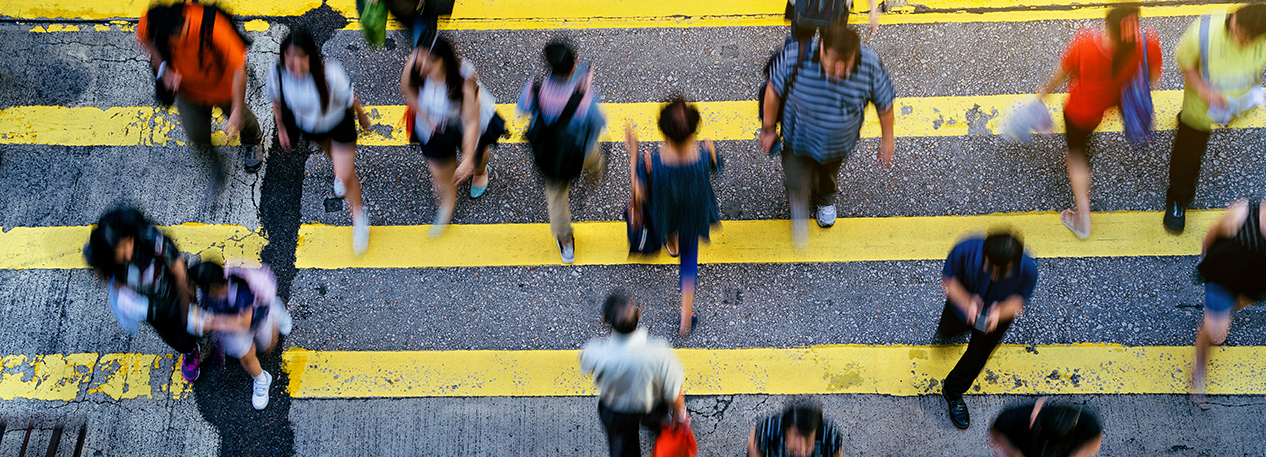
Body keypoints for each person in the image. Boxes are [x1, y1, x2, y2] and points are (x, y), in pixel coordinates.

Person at [760, 21, 895, 248]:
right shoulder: (796, 57)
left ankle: (826, 200)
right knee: (795, 177)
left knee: (830, 172)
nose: (840, 72)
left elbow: (885, 104)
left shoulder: (869, 65)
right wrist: (768, 128)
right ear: (821, 49)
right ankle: (799, 196)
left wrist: (888, 140)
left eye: (847, 65)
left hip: (838, 144)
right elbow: (773, 89)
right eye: (834, 64)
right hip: (798, 140)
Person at [1037, 5, 1162, 239]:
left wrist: (1041, 95)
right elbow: (1153, 78)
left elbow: (1062, 74)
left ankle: (1083, 218)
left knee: (1077, 157)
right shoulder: (1148, 43)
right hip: (1114, 104)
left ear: (1108, 27)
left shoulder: (1086, 44)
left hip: (1081, 111)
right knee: (1084, 145)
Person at [137, 2, 263, 193]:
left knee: (243, 119)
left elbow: (239, 69)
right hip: (188, 93)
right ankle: (215, 167)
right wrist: (163, 67)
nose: (174, 44)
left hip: (223, 89)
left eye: (175, 39)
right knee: (196, 135)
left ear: (180, 30)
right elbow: (143, 38)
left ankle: (253, 141)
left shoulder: (213, 27)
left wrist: (236, 110)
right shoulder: (155, 22)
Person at [267, 27, 372, 255]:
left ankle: (359, 219)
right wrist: (282, 127)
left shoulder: (330, 74)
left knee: (346, 174)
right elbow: (276, 100)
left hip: (339, 124)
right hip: (313, 129)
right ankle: (338, 171)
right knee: (332, 156)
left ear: (310, 57)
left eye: (299, 61)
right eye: (289, 62)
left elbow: (349, 98)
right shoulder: (278, 74)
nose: (294, 68)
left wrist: (363, 117)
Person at [1164, 5, 1266, 234]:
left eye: (1252, 40)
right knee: (1188, 156)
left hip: (1237, 108)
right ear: (1235, 19)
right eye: (1244, 36)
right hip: (1201, 109)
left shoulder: (1260, 35)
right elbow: (1185, 64)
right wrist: (1206, 93)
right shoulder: (1204, 32)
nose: (1245, 43)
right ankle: (1178, 200)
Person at [625, 98, 722, 336]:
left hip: (665, 210)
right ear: (693, 129)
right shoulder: (703, 153)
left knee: (667, 221)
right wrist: (712, 152)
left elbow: (638, 192)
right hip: (693, 213)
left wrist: (634, 154)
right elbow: (717, 167)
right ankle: (685, 320)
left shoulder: (653, 163)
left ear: (663, 131)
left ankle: (670, 243)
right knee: (689, 262)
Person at [401, 32, 507, 237]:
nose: (422, 66)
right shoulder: (415, 66)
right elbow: (408, 89)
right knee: (439, 170)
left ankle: (481, 172)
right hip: (434, 124)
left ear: (444, 61)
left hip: (466, 119)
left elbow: (471, 123)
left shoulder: (463, 79)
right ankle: (448, 203)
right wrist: (425, 116)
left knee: (478, 157)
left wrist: (467, 160)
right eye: (419, 58)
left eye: (430, 61)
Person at [83, 207, 201, 382]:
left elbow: (177, 266)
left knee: (191, 321)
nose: (127, 252)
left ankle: (195, 334)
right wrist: (124, 296)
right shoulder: (100, 254)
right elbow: (106, 276)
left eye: (127, 243)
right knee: (177, 338)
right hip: (151, 308)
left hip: (173, 294)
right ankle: (191, 350)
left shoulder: (150, 239)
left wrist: (186, 298)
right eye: (121, 250)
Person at [937, 230, 1038, 430]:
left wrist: (999, 312)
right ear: (984, 253)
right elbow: (948, 282)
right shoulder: (964, 250)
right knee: (948, 331)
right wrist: (967, 303)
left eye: (1002, 271)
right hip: (959, 308)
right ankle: (946, 337)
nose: (994, 274)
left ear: (1016, 263)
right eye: (990, 267)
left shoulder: (1028, 269)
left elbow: (1019, 301)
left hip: (995, 318)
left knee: (977, 356)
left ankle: (953, 392)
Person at [517, 40, 607, 264]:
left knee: (556, 200)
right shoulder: (585, 98)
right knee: (594, 160)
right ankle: (593, 178)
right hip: (579, 151)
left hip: (550, 156)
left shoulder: (534, 89)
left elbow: (522, 110)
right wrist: (585, 88)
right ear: (575, 65)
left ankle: (567, 246)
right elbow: (598, 125)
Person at [579, 292, 688, 457]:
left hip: (615, 410)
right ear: (639, 314)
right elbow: (674, 391)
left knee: (623, 449)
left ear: (604, 320)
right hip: (651, 406)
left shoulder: (595, 352)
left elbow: (585, 364)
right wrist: (680, 415)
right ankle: (655, 428)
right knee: (657, 423)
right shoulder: (659, 351)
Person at [187, 261, 293, 410]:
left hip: (254, 319)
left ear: (214, 287)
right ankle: (262, 379)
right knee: (244, 355)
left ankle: (275, 310)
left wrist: (211, 322)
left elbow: (244, 323)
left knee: (267, 348)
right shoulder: (208, 291)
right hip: (231, 326)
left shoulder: (242, 290)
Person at [1191, 198, 1266, 405]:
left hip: (1255, 284)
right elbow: (1212, 237)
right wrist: (1206, 262)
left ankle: (1223, 315)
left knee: (1240, 304)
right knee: (1212, 330)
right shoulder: (1243, 213)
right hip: (1225, 278)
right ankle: (1199, 372)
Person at [989, 398, 1103, 457]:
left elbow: (1096, 437)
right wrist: (1014, 453)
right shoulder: (1013, 418)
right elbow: (996, 432)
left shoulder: (1086, 423)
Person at [747, 400, 844, 457]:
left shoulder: (830, 437)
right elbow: (754, 451)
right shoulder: (767, 431)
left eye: (808, 437)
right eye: (796, 435)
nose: (801, 448)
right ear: (785, 429)